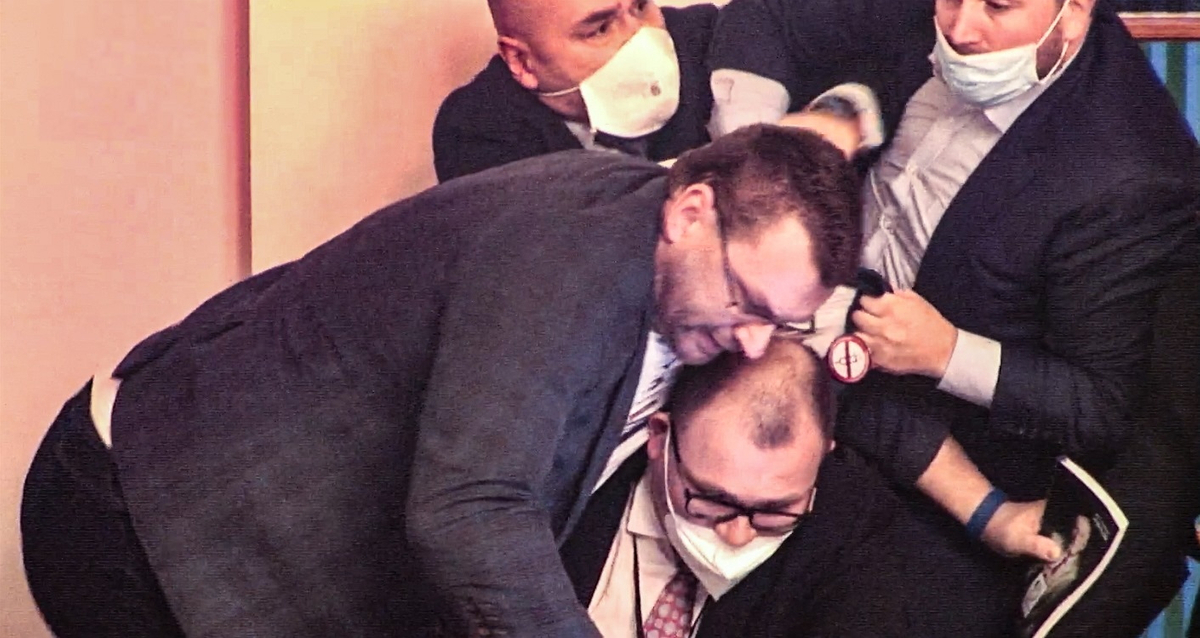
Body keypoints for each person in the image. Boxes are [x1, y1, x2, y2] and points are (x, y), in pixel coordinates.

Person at [20, 124, 863, 638]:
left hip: (210, 524)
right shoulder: (567, 259)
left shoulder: (665, 237)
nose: (753, 342)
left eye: (780, 323)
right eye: (746, 301)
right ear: (691, 212)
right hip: (139, 518)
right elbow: (471, 509)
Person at [706, 0, 1200, 635]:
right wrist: (753, 171)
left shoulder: (1132, 174)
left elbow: (1099, 406)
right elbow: (765, 16)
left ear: (1075, 11)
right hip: (776, 333)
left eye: (998, 6)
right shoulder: (935, 14)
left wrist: (947, 353)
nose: (961, 30)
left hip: (921, 454)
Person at [562, 336, 928, 637]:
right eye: (712, 500)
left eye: (775, 510)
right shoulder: (570, 488)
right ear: (660, 438)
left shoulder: (853, 525)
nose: (737, 535)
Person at [431, 0, 716, 183]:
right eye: (600, 29)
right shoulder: (477, 132)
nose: (640, 37)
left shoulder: (704, 37)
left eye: (640, 7)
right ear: (522, 62)